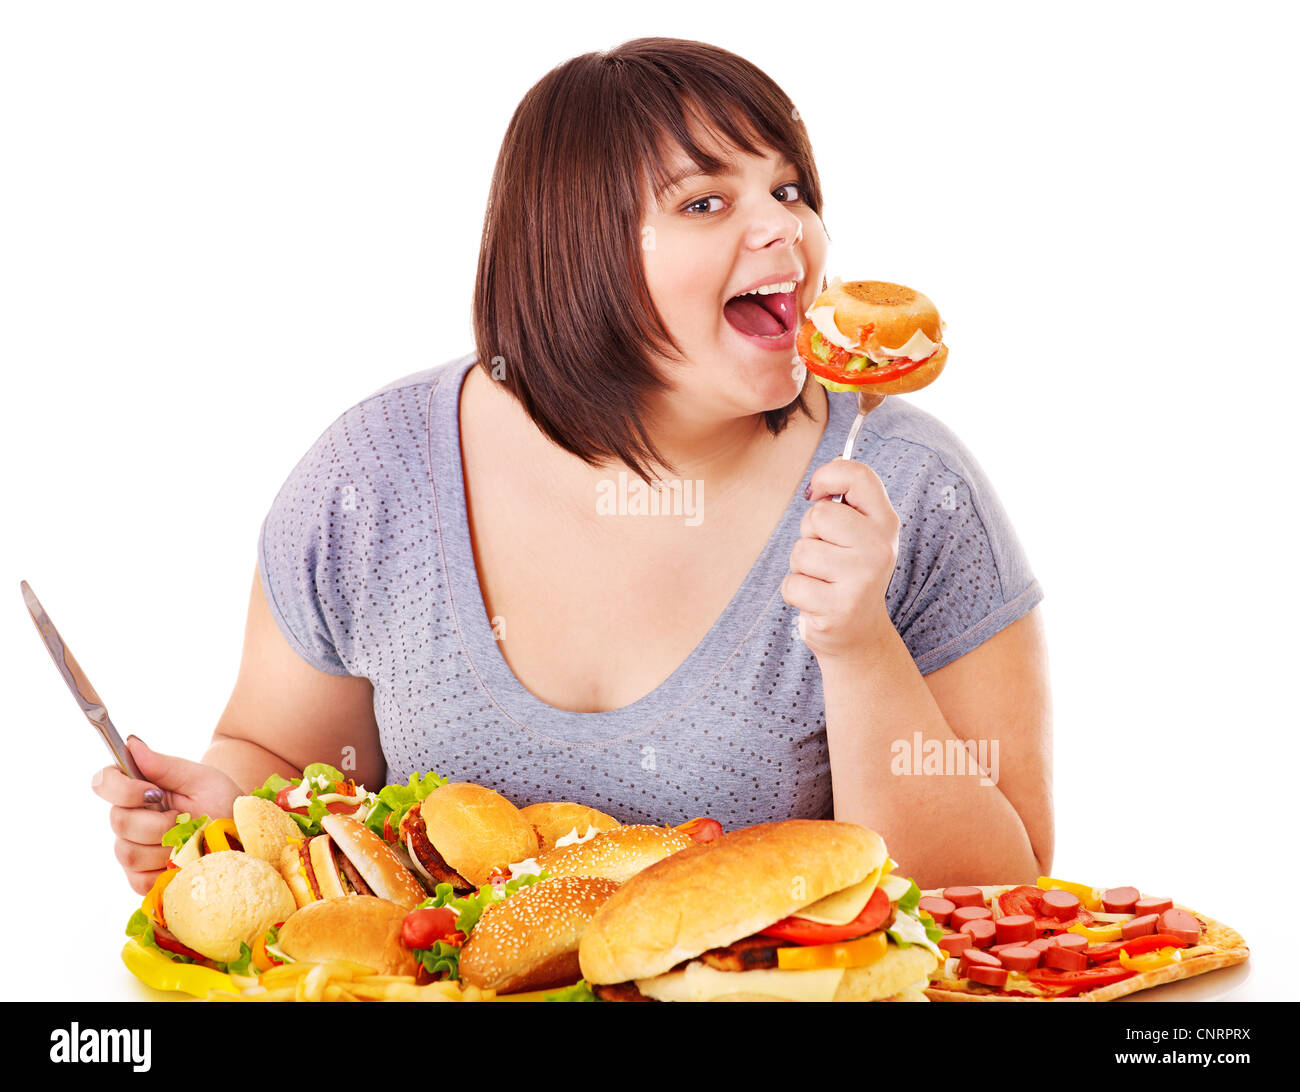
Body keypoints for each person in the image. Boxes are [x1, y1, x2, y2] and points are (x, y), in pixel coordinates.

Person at [93, 37, 1051, 894]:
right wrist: (218, 816)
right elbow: (281, 757)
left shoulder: (914, 486)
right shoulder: (373, 477)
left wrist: (859, 648)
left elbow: (1004, 892)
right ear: (575, 256)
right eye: (707, 201)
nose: (785, 233)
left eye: (790, 190)